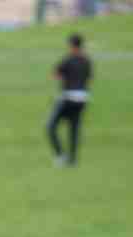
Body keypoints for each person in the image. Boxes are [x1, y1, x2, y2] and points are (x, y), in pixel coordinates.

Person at [46, 32, 92, 167]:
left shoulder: (68, 59)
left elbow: (56, 75)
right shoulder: (87, 60)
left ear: (71, 45)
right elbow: (89, 78)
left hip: (68, 97)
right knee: (74, 128)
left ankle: (60, 155)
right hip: (83, 98)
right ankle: (73, 160)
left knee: (51, 126)